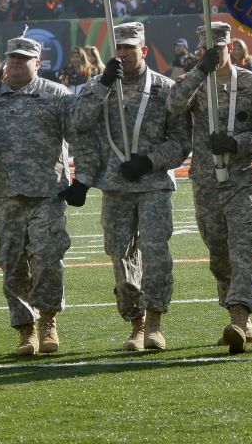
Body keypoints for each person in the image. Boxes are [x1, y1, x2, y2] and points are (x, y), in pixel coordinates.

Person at [0, 37, 78, 356]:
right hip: (7, 196)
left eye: (25, 59)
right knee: (11, 264)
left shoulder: (57, 96)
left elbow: (81, 137)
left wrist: (85, 180)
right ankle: (25, 330)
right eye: (13, 58)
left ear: (38, 62)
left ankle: (48, 321)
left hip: (48, 194)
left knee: (48, 259)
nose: (18, 64)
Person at [70, 22, 190, 351]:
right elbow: (78, 122)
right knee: (120, 256)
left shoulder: (165, 89)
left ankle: (154, 323)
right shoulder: (100, 86)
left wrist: (150, 161)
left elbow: (182, 141)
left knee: (155, 252)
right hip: (115, 185)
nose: (123, 54)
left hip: (153, 184)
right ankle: (135, 322)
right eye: (119, 49)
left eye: (130, 48)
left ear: (144, 51)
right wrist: (103, 84)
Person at [166, 22, 252, 353]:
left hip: (244, 179)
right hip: (206, 182)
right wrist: (200, 70)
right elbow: (174, 104)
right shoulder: (196, 83)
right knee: (219, 254)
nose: (213, 54)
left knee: (241, 248)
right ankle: (236, 314)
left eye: (219, 49)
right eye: (205, 50)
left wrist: (237, 141)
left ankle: (239, 319)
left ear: (232, 47)